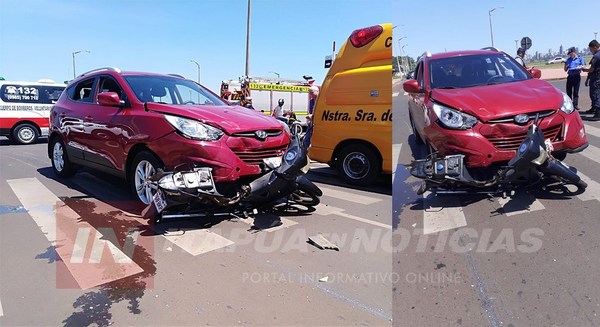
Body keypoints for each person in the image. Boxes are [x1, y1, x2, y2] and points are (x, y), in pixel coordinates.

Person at [582, 40, 600, 120]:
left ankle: (598, 114)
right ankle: (594, 109)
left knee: (596, 95)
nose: (590, 51)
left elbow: (592, 69)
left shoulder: (596, 56)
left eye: (591, 49)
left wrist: (584, 70)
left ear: (595, 47)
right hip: (596, 77)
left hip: (596, 78)